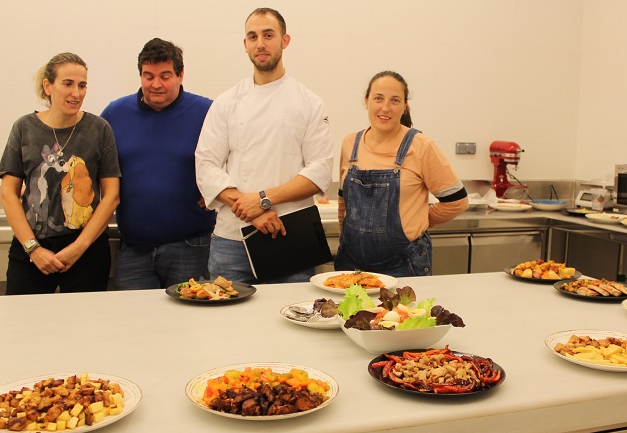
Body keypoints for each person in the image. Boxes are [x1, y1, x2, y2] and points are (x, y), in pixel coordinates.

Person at [195, 7, 333, 284]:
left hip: (288, 234)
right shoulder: (226, 103)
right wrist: (252, 211)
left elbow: (320, 173)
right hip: (231, 239)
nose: (260, 43)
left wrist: (263, 200)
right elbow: (206, 165)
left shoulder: (309, 103)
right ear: (245, 44)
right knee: (227, 323)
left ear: (285, 40)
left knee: (292, 320)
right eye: (252, 36)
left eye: (268, 35)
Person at [0, 52, 121, 294]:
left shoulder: (99, 129)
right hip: (32, 248)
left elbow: (112, 195)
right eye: (68, 84)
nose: (76, 93)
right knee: (23, 325)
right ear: (48, 86)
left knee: (84, 328)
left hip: (87, 250)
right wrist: (33, 249)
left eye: (82, 85)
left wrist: (79, 247)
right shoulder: (24, 128)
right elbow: (8, 194)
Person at [101, 38, 215, 289]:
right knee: (135, 325)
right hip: (134, 249)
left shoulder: (208, 112)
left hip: (191, 247)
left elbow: (238, 157)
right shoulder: (114, 114)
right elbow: (92, 165)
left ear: (181, 74)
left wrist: (218, 192)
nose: (156, 85)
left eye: (165, 76)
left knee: (190, 324)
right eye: (148, 76)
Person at [334, 71, 469, 277]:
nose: (385, 107)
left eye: (395, 100)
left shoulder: (421, 147)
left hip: (403, 264)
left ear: (404, 105)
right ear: (366, 101)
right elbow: (344, 200)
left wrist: (418, 223)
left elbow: (457, 201)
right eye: (378, 98)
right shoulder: (349, 144)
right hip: (351, 264)